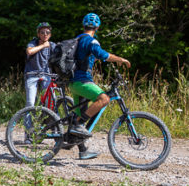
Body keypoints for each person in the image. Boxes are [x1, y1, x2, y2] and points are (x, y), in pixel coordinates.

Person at [69, 13, 131, 148]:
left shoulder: (79, 39)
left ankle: (81, 148)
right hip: (82, 81)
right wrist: (121, 59)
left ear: (83, 25)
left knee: (81, 113)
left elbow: (88, 57)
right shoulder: (91, 41)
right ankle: (79, 125)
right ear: (97, 27)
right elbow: (104, 55)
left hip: (74, 82)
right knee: (104, 99)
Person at [24, 22, 55, 109]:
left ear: (50, 34)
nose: (45, 34)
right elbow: (29, 51)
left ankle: (48, 121)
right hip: (31, 75)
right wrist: (43, 46)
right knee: (30, 102)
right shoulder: (33, 43)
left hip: (46, 75)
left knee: (48, 102)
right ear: (38, 34)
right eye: (42, 32)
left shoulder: (52, 45)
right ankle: (28, 123)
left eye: (47, 32)